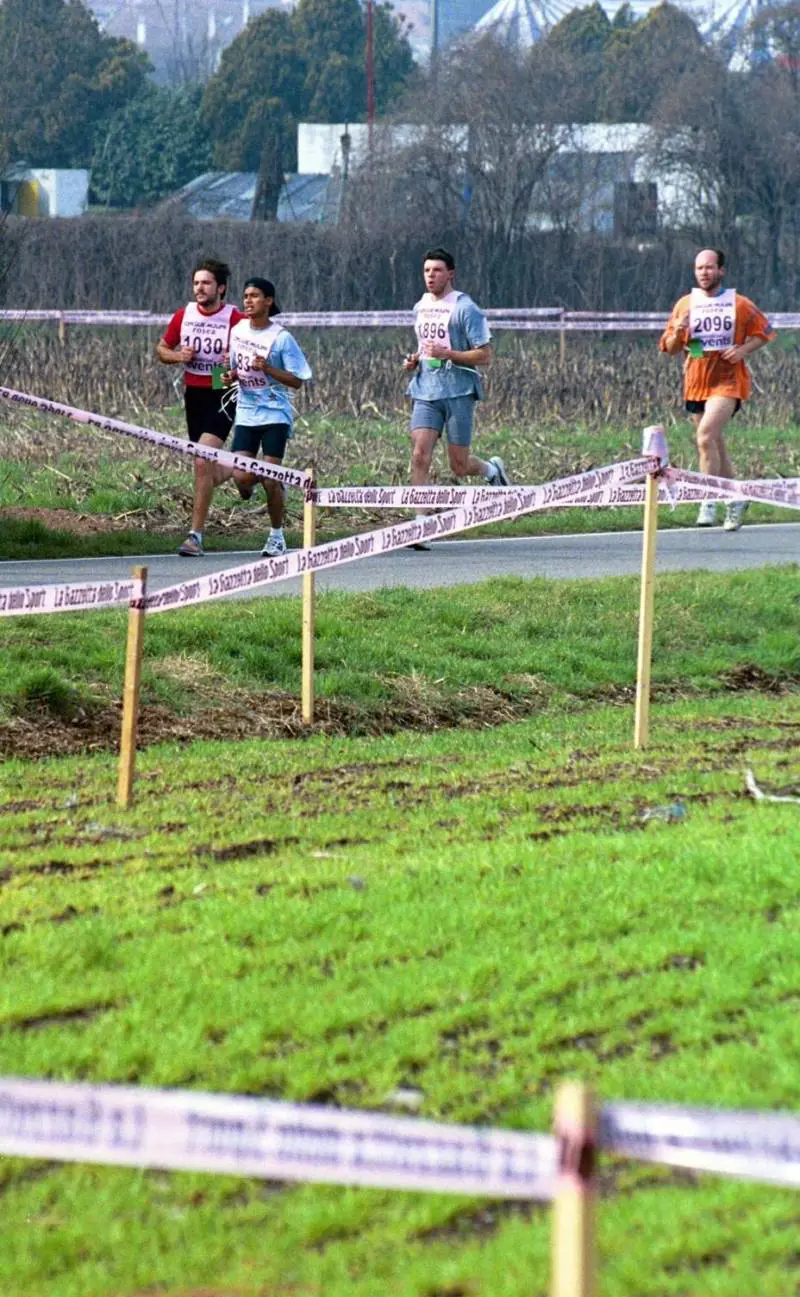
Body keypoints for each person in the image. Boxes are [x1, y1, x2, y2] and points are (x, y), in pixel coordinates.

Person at [660, 248, 774, 531]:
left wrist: (742, 350)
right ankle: (736, 498)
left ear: (721, 271)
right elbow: (671, 348)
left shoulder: (739, 304)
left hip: (729, 380)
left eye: (710, 267)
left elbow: (766, 332)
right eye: (699, 268)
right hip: (697, 381)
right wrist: (678, 331)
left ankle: (708, 499)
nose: (704, 273)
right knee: (714, 443)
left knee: (705, 436)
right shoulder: (685, 304)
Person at [403, 247, 510, 549]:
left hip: (459, 390)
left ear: (450, 273)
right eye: (426, 271)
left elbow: (486, 355)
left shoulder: (466, 308)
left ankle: (492, 470)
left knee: (458, 466)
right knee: (419, 454)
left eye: (437, 271)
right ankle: (420, 525)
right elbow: (426, 348)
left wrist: (450, 355)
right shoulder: (420, 306)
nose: (431, 277)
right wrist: (415, 360)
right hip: (426, 389)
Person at [157, 259, 245, 556]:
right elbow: (161, 350)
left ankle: (195, 536)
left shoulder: (235, 319)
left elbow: (255, 356)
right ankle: (242, 464)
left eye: (206, 283)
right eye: (196, 283)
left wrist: (231, 361)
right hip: (193, 393)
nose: (199, 288)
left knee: (200, 461)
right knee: (206, 468)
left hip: (222, 390)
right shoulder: (185, 315)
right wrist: (179, 356)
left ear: (221, 288)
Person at [224, 277, 311, 557]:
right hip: (247, 412)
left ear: (268, 301)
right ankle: (256, 485)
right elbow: (229, 371)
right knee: (242, 476)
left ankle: (276, 536)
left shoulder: (281, 338)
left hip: (275, 413)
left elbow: (297, 380)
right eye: (245, 296)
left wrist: (269, 369)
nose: (248, 301)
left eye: (255, 296)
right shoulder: (237, 330)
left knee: (270, 477)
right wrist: (224, 379)